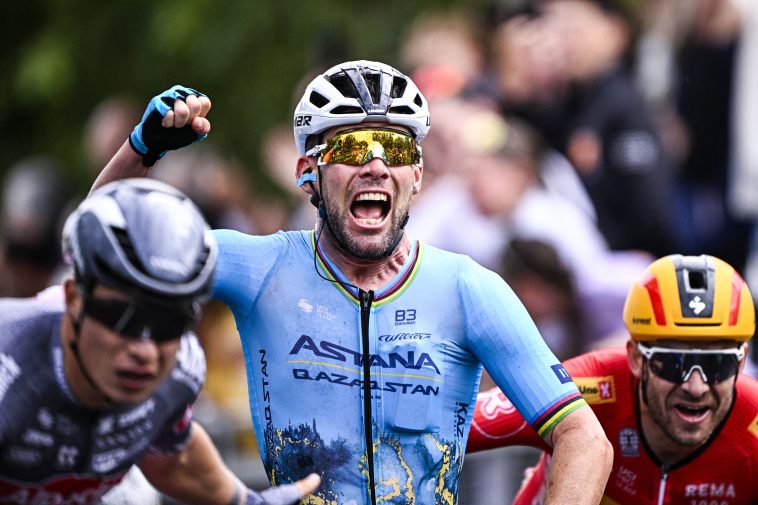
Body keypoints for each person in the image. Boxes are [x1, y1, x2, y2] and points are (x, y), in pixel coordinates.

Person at [91, 63, 612, 505]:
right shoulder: (261, 267)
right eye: (353, 147)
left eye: (394, 147)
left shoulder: (468, 289)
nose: (377, 164)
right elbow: (103, 248)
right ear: (306, 173)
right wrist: (142, 150)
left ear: (419, 176)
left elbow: (585, 439)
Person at [0, 178, 320, 504]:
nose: (144, 350)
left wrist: (247, 501)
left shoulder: (181, 366)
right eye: (122, 318)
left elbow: (173, 459)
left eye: (170, 324)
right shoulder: (8, 370)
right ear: (73, 300)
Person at [469, 253, 758, 504]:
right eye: (672, 363)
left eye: (717, 364)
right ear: (635, 358)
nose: (695, 387)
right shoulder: (587, 387)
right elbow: (447, 418)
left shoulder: (752, 420)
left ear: (742, 362)